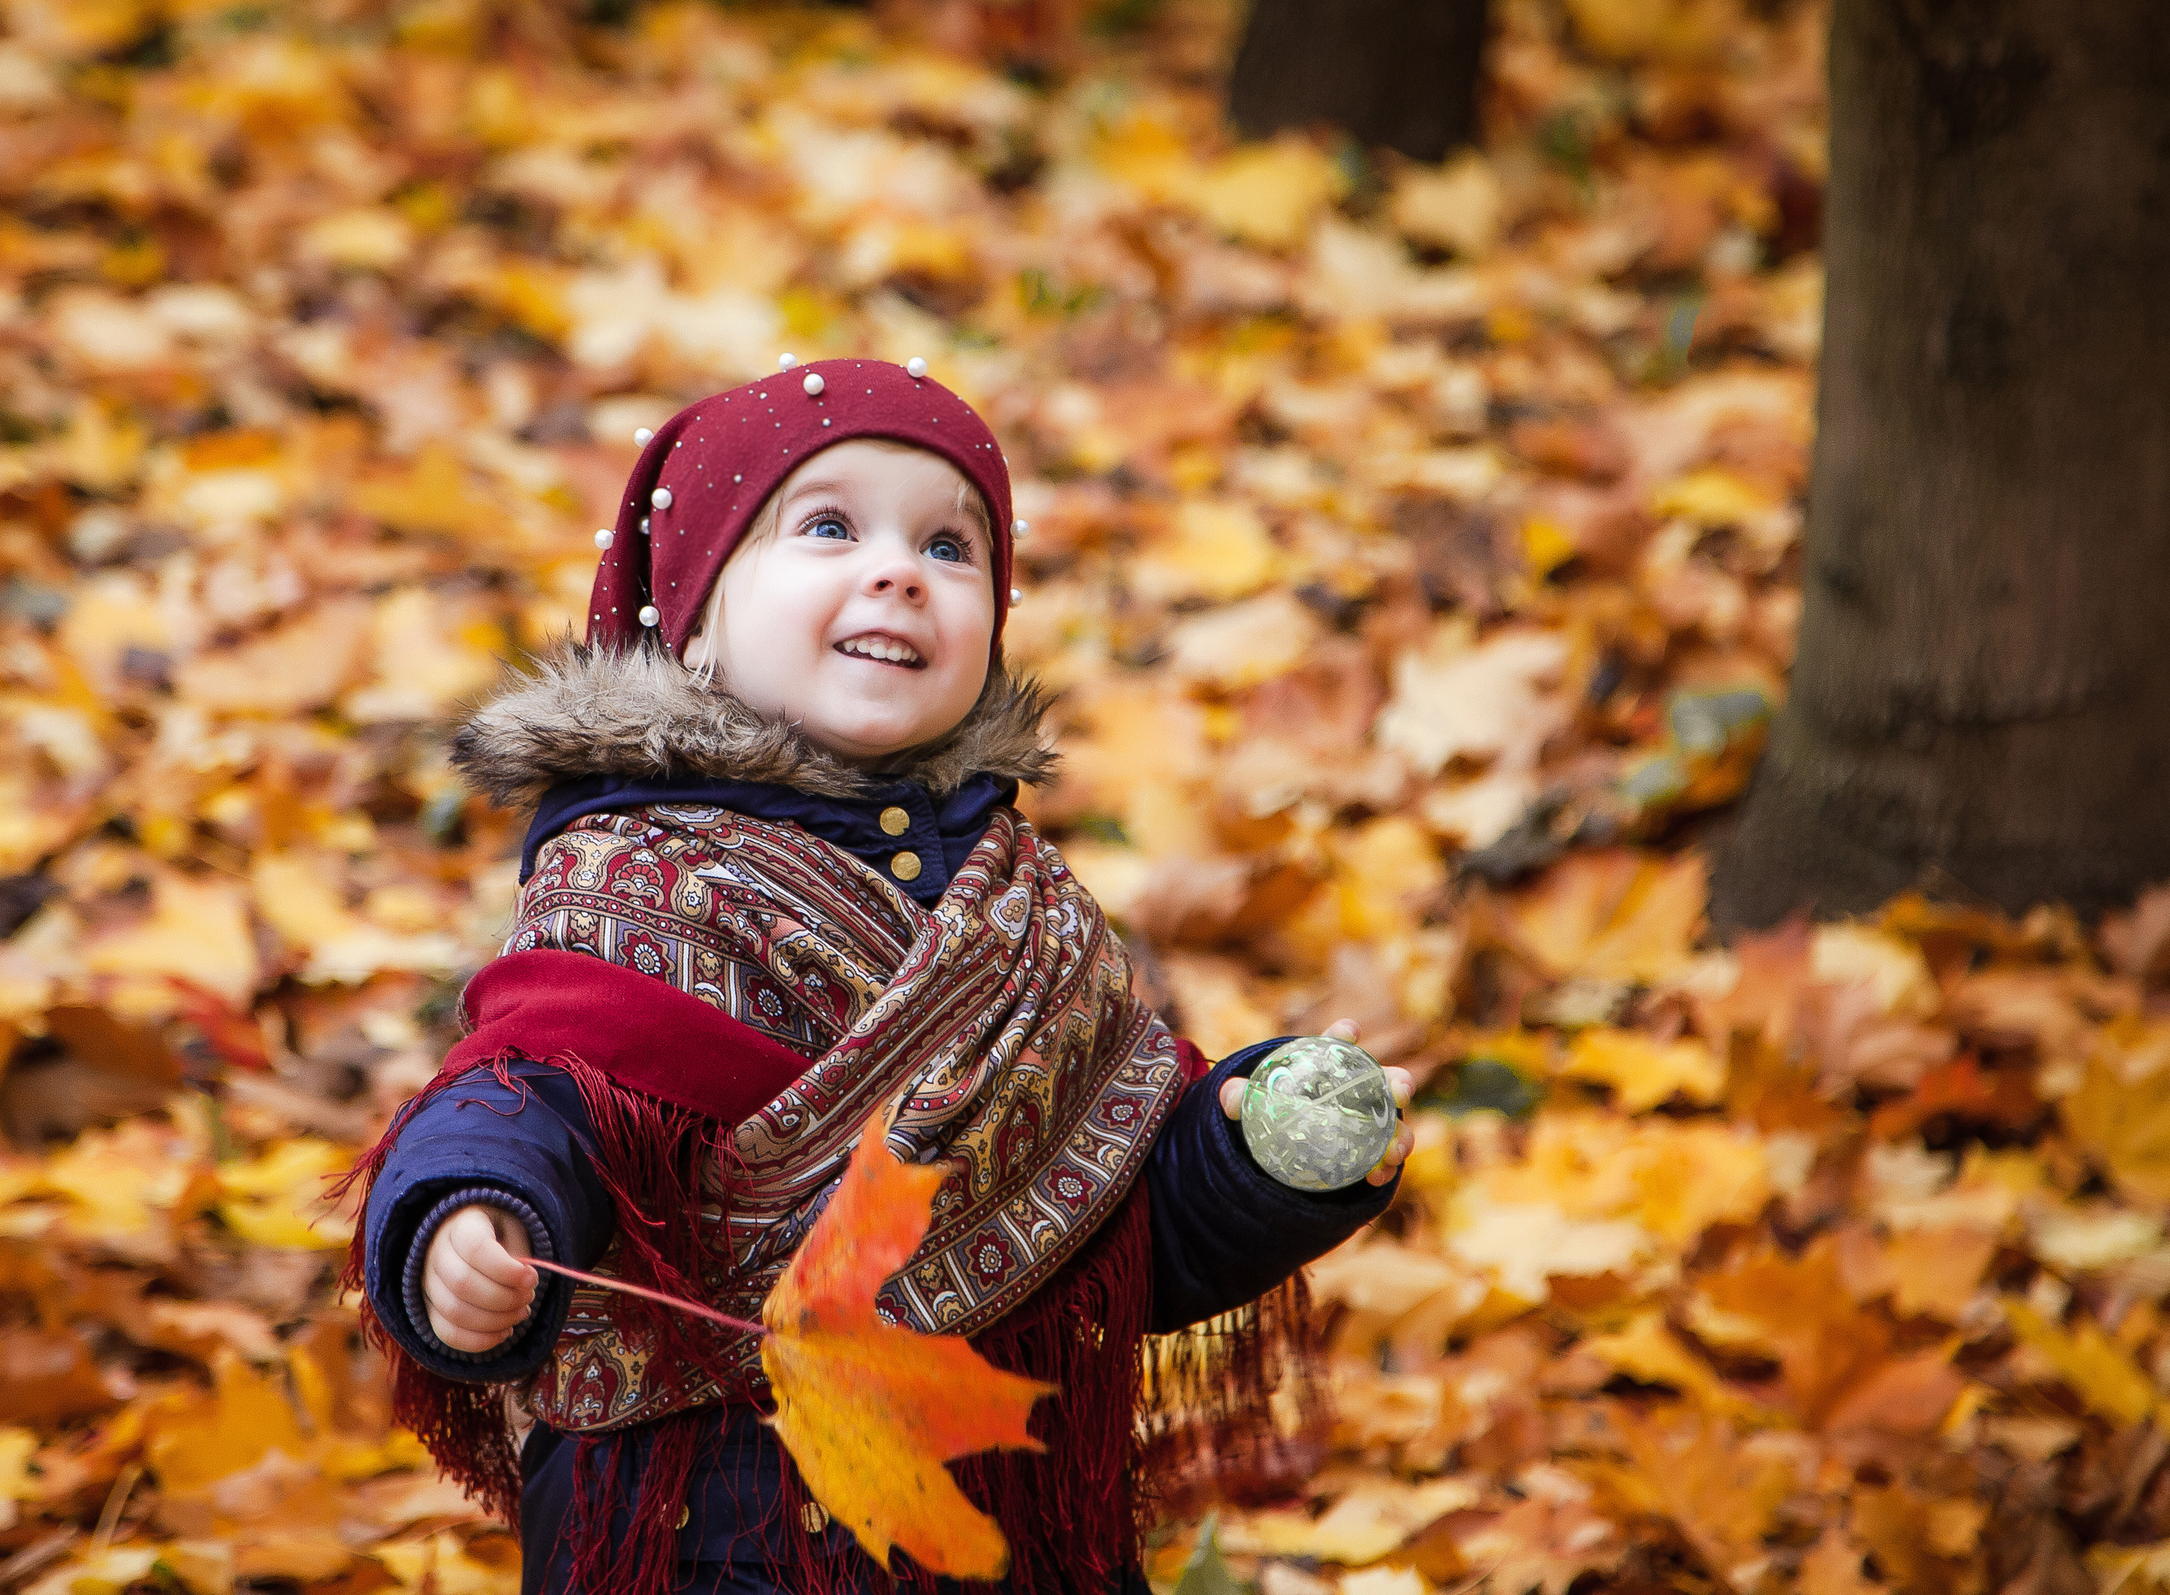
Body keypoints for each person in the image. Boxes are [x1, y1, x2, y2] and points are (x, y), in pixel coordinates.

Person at [344, 358, 1412, 1595]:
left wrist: (1253, 1163)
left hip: (996, 1521)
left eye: (951, 547)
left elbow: (1113, 1235)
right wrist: (467, 1213)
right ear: (689, 613)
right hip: (710, 1529)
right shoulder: (629, 883)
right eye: (830, 527)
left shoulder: (1024, 913)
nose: (901, 570)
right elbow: (521, 1094)